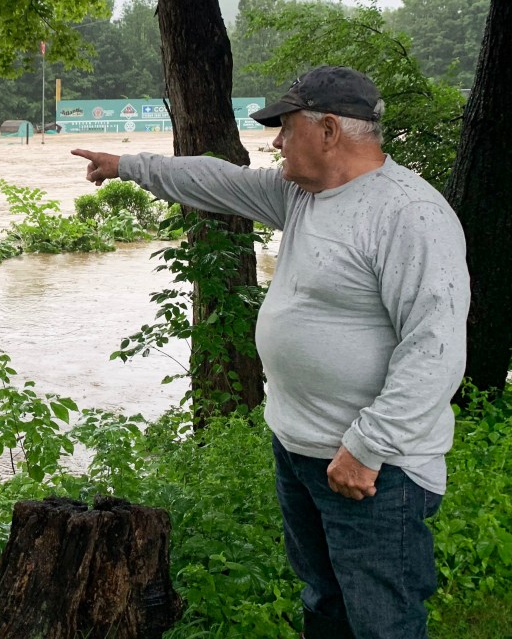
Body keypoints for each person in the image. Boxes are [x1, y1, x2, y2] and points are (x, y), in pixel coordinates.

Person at [72, 66, 469, 639]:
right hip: (300, 449)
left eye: (285, 128)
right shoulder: (302, 196)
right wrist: (129, 167)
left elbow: (435, 347)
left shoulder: (409, 214)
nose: (276, 142)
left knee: (384, 620)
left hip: (377, 470)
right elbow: (215, 181)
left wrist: (367, 447)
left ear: (329, 130)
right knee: (324, 601)